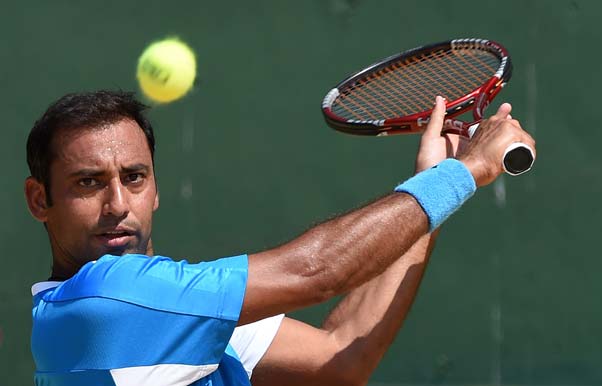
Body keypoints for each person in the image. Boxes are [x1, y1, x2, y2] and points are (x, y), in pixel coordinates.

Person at [25, 91, 535, 386]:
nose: (117, 204)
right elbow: (318, 271)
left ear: (155, 189)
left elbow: (342, 356)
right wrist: (465, 171)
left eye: (134, 177)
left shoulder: (179, 319)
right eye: (88, 183)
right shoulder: (101, 302)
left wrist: (433, 187)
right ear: (39, 199)